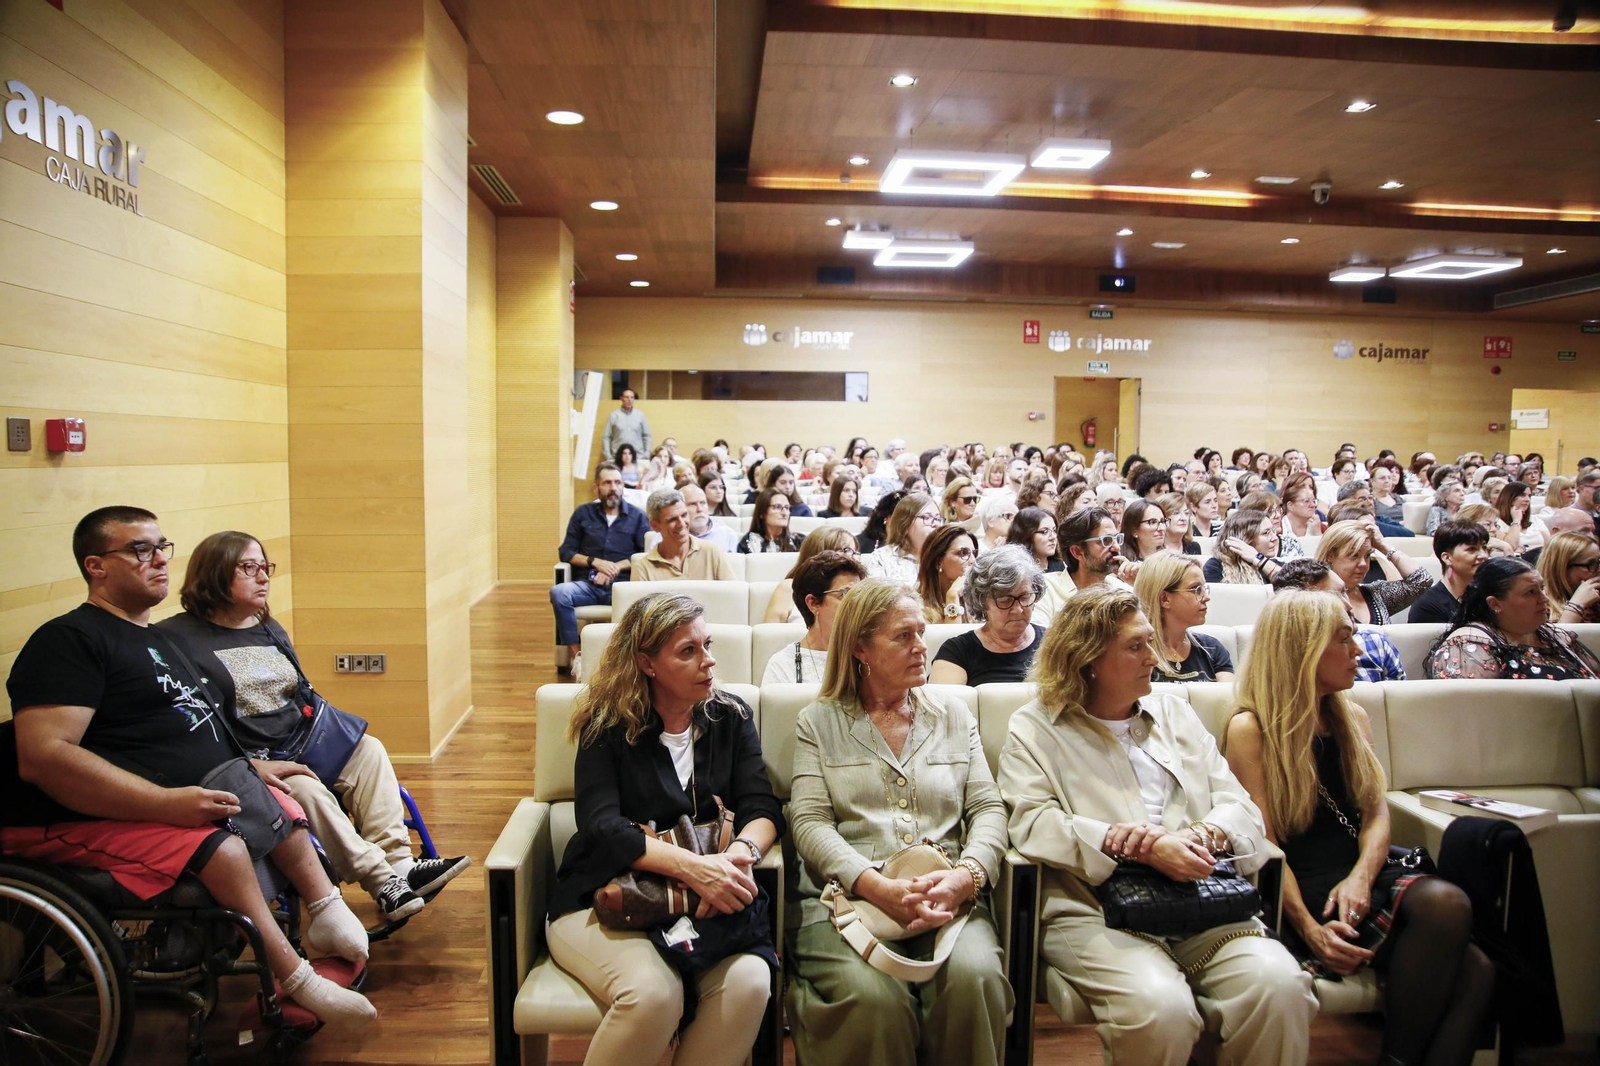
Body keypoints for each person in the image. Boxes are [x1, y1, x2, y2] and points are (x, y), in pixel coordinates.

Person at [3, 507, 377, 1026]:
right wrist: (166, 803)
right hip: (67, 817)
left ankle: (326, 910)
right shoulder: (70, 640)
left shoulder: (156, 638)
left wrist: (251, 764)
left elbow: (195, 726)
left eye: (161, 546)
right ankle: (297, 978)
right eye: (139, 550)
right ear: (96, 566)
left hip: (194, 784)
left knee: (276, 792)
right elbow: (45, 757)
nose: (158, 559)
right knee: (222, 850)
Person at [999, 584, 1316, 1066]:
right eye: (1135, 646)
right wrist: (1133, 845)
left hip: (1200, 900)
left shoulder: (1175, 711)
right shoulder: (1037, 727)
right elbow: (1031, 823)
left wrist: (1198, 836)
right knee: (1160, 1010)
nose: (1155, 656)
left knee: (1282, 986)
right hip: (1093, 908)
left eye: (1150, 640)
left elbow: (1240, 806)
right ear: (1087, 659)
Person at [1225, 592, 1493, 1066]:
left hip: (1362, 874)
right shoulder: (1252, 729)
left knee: (1477, 959)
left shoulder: (1352, 716)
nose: (1361, 652)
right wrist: (1308, 930)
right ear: (1302, 649)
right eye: (1345, 638)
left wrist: (1361, 878)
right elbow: (1261, 845)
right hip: (1300, 888)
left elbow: (1376, 815)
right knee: (1473, 964)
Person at [160, 531, 470, 921]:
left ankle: (400, 863)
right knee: (303, 788)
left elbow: (297, 692)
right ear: (214, 573)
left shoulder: (266, 627)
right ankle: (380, 880)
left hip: (299, 740)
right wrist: (249, 764)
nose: (263, 577)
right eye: (248, 567)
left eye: (265, 567)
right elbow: (191, 720)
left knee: (368, 749)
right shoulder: (176, 639)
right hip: (254, 762)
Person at [548, 593, 783, 1066]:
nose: (709, 661)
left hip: (703, 903)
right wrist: (698, 869)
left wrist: (737, 856)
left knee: (751, 982)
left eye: (707, 645)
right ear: (647, 663)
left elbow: (762, 806)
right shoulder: (606, 724)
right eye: (688, 651)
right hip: (608, 894)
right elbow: (602, 828)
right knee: (654, 994)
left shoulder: (731, 717)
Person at [788, 579, 1012, 1066]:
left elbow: (988, 810)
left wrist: (965, 877)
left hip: (944, 893)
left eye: (922, 633)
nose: (921, 647)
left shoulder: (954, 715)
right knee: (874, 1003)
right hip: (848, 897)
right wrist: (872, 885)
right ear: (860, 648)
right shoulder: (819, 721)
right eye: (903, 636)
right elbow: (809, 823)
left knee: (974, 982)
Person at [1427, 557, 1600, 680]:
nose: (1544, 599)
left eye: (1542, 588)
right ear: (1495, 603)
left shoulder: (1553, 637)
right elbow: (1476, 718)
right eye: (1530, 592)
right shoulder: (1468, 646)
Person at [555, 463, 650, 673]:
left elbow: (646, 554)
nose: (613, 488)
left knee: (642, 605)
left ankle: (625, 663)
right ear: (596, 487)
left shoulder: (637, 517)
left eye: (618, 482)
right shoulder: (582, 514)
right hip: (587, 583)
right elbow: (566, 552)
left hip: (622, 587)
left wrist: (614, 567)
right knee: (559, 593)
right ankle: (577, 658)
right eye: (607, 483)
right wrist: (595, 562)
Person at [1271, 559, 1408, 681]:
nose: (1348, 606)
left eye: (1344, 592)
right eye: (1332, 599)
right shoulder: (1279, 662)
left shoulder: (1376, 643)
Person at [929, 546, 1046, 685]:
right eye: (1005, 600)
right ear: (982, 602)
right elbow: (944, 705)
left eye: (1025, 597)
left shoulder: (1054, 643)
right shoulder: (957, 652)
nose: (1018, 609)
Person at [764, 551, 867, 683]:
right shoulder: (783, 665)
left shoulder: (867, 656)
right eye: (845, 594)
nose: (857, 604)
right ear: (813, 603)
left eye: (859, 595)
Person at [1134, 551, 1234, 682]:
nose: (1206, 597)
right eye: (1196, 589)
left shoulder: (1212, 648)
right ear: (1165, 599)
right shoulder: (1136, 655)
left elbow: (1229, 699)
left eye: (1204, 588)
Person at [1031, 507, 1136, 626]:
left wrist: (1140, 583)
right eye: (1106, 540)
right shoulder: (1046, 589)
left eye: (1117, 539)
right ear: (1077, 552)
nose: (1116, 547)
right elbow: (1041, 640)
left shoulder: (1122, 589)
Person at [1314, 520, 1431, 625]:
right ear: (1330, 556)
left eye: (1367, 556)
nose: (1363, 564)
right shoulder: (1312, 600)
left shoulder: (1376, 594)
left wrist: (1382, 545)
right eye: (1354, 555)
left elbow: (1421, 580)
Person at [636, 488, 738, 581]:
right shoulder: (643, 568)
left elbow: (733, 595)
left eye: (684, 515)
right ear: (655, 526)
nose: (681, 524)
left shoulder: (712, 552)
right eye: (672, 519)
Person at [763, 526, 859, 624]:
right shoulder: (788, 587)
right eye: (846, 551)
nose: (853, 558)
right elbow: (770, 634)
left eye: (855, 552)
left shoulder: (858, 591)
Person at [1406, 520, 1491, 625]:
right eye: (1472, 549)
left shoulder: (1491, 594)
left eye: (1484, 548)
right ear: (1447, 558)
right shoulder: (1427, 606)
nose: (1484, 555)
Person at [863, 493, 941, 584]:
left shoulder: (946, 556)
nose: (936, 524)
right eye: (927, 517)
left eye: (938, 519)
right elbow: (876, 596)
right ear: (905, 525)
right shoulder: (882, 558)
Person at [917, 524, 980, 623]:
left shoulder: (979, 603)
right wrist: (952, 596)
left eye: (974, 553)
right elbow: (954, 638)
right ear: (938, 561)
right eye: (963, 553)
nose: (973, 560)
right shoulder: (917, 608)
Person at [1204, 508, 1284, 584]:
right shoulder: (1216, 567)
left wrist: (1260, 560)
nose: (1275, 538)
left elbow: (1292, 583)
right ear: (1245, 539)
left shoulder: (1270, 564)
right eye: (1266, 533)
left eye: (1273, 531)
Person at [1538, 530, 1600, 624]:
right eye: (1591, 564)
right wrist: (1576, 605)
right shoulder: (1538, 605)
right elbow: (1558, 638)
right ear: (1561, 568)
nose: (1598, 569)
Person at [677, 482, 741, 554]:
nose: (699, 509)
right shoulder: (669, 536)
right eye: (692, 504)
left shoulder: (727, 534)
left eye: (702, 503)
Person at [740, 487, 804, 554]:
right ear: (762, 513)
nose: (785, 513)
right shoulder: (750, 541)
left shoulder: (799, 542)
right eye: (777, 507)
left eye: (787, 508)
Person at [1006, 506, 1063, 574]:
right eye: (1044, 531)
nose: (1053, 537)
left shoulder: (1060, 566)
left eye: (1054, 530)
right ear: (1026, 535)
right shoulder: (1014, 571)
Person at [600, 387, 652, 460]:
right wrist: (608, 455)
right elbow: (606, 437)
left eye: (632, 397)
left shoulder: (640, 415)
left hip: (638, 456)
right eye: (626, 397)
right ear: (621, 398)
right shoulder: (613, 415)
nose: (629, 400)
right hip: (617, 457)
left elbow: (647, 436)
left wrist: (647, 453)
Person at [1496, 481, 1543, 553]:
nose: (1527, 499)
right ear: (1510, 497)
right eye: (1523, 495)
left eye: (1529, 496)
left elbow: (1549, 546)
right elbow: (1509, 547)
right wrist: (1516, 520)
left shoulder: (1536, 520)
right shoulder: (1497, 522)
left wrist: (1525, 549)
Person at [856, 489, 906, 555]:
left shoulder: (915, 544)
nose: (904, 521)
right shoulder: (860, 542)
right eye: (899, 516)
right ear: (886, 516)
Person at [1279, 472, 1324, 541]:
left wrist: (1318, 534)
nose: (1313, 505)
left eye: (1310, 487)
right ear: (1290, 505)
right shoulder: (1277, 527)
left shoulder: (1320, 526)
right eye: (1302, 486)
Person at [1121, 499, 1168, 563]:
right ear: (1134, 531)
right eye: (1153, 522)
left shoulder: (1171, 562)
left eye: (1163, 521)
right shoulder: (1124, 565)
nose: (1161, 528)